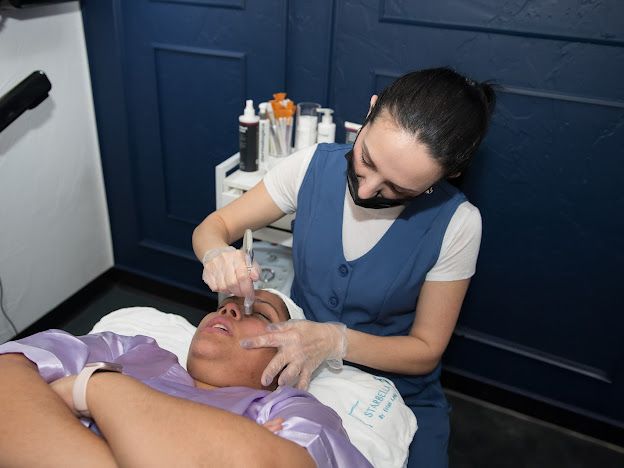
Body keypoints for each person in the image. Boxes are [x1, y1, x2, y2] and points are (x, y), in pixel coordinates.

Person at [193, 67, 496, 467]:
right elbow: (214, 227)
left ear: (447, 174)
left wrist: (336, 341)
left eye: (397, 189)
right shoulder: (309, 168)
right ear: (370, 112)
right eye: (365, 158)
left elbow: (425, 351)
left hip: (398, 386)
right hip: (294, 370)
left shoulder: (458, 223)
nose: (367, 190)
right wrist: (216, 253)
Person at [0, 289, 372, 468]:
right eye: (227, 304)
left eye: (256, 311)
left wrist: (96, 388)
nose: (229, 307)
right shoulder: (132, 350)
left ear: (288, 358)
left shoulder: (292, 407)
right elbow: (8, 372)